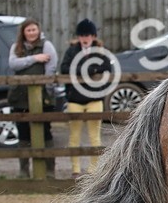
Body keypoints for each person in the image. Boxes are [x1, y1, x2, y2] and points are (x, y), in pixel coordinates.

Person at [8, 19, 58, 178]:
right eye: (28, 30)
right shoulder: (17, 47)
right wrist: (35, 58)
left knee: (45, 133)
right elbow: (13, 64)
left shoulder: (47, 45)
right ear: (23, 32)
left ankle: (49, 171)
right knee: (23, 134)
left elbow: (51, 67)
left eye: (34, 30)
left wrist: (48, 90)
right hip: (20, 97)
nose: (31, 33)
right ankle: (24, 171)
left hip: (42, 96)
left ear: (38, 30)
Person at [59, 19, 110, 178]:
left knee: (95, 136)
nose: (85, 38)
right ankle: (75, 169)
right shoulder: (72, 50)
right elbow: (64, 68)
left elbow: (107, 66)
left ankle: (93, 171)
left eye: (87, 35)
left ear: (93, 36)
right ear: (78, 37)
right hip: (75, 98)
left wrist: (84, 69)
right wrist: (89, 69)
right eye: (82, 35)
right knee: (74, 136)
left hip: (94, 97)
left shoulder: (100, 50)